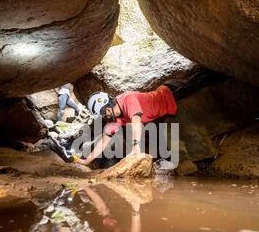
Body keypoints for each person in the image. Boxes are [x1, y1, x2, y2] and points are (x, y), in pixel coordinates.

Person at [76, 70, 227, 166]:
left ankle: (221, 69)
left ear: (107, 106)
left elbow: (136, 122)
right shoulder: (113, 120)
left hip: (172, 92)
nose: (105, 117)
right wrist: (87, 160)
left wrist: (136, 148)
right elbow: (105, 139)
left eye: (104, 113)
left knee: (202, 80)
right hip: (164, 110)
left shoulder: (127, 99)